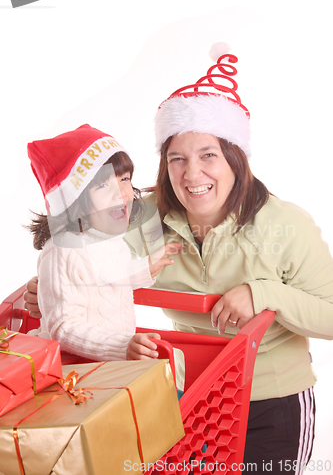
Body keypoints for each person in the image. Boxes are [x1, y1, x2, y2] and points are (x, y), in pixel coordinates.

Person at [25, 46, 333, 473]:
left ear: (235, 158)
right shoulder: (144, 218)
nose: (192, 174)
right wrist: (47, 286)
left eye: (208, 155)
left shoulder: (286, 225)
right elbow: (80, 247)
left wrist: (263, 294)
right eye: (177, 159)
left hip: (271, 405)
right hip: (184, 400)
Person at [26, 124, 181, 362]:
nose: (121, 193)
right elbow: (64, 327)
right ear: (74, 200)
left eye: (124, 179)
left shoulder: (109, 239)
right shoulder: (62, 251)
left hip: (111, 367)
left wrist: (146, 266)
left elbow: (113, 278)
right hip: (71, 373)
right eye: (102, 185)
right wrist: (122, 346)